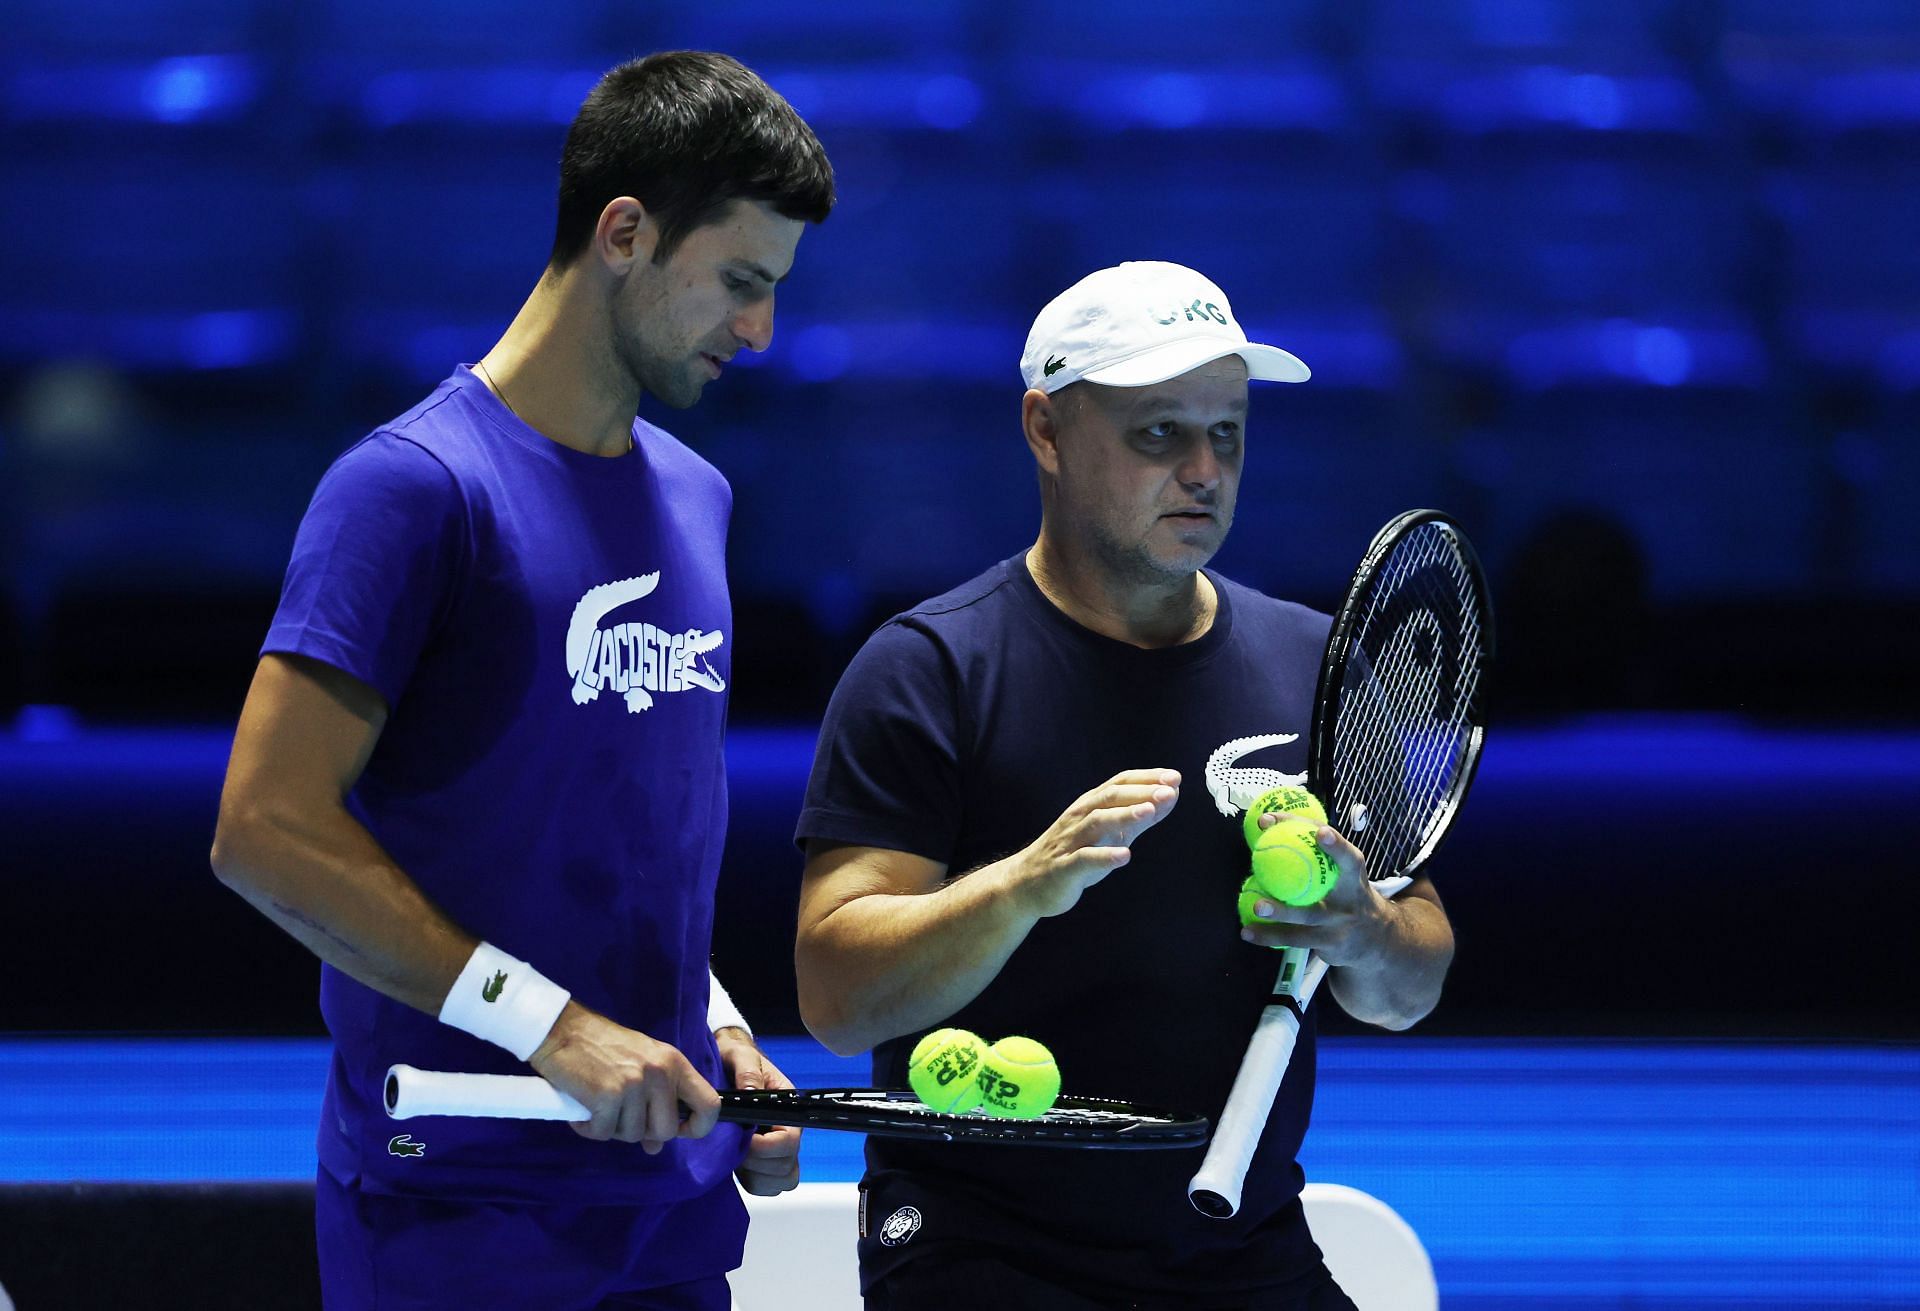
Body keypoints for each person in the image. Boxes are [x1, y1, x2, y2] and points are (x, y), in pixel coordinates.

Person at [210, 52, 834, 1310]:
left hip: (669, 1214)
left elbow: (628, 830)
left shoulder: (699, 498)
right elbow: (263, 831)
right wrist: (550, 1026)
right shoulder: (410, 488)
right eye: (741, 284)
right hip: (455, 1209)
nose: (761, 333)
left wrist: (712, 1026)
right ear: (624, 234)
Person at [792, 261, 1456, 1309]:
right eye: (1160, 434)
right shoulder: (929, 669)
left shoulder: (1317, 664)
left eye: (1227, 432)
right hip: (980, 1253)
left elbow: (1412, 984)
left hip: (1242, 1246)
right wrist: (1019, 889)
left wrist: (1362, 929)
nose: (1204, 469)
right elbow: (835, 997)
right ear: (1046, 430)